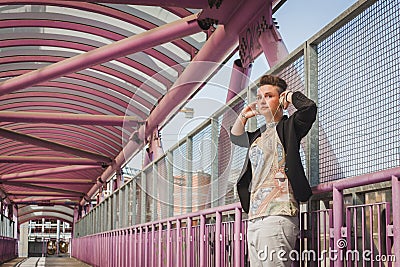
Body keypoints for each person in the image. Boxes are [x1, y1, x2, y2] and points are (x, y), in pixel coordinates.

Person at [230, 74, 317, 266]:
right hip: (254, 216)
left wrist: (291, 97)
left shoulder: (289, 127)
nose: (262, 100)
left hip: (278, 214)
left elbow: (309, 109)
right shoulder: (257, 135)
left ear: (281, 99)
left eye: (269, 96)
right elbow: (235, 138)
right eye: (259, 96)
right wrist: (245, 113)